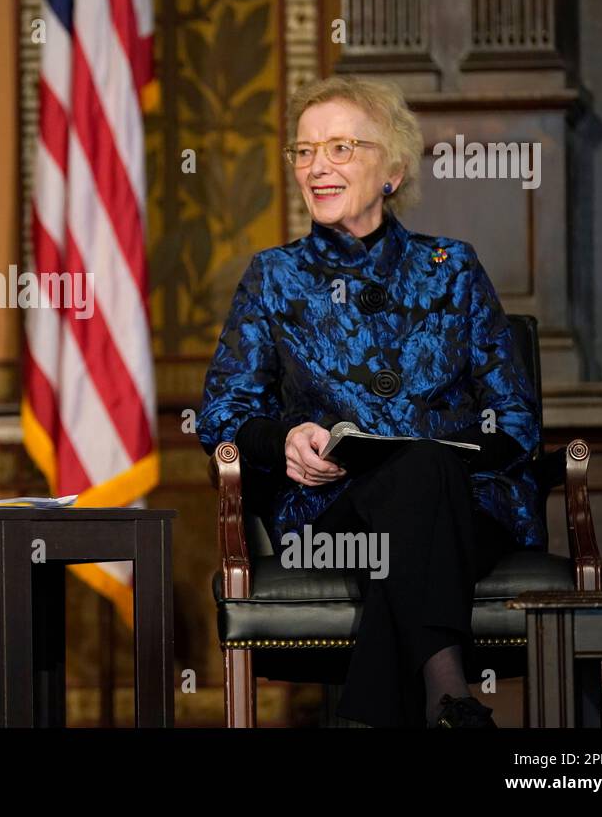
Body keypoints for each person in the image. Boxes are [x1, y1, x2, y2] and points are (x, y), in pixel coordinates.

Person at [198, 75, 546, 728]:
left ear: (390, 169)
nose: (316, 167)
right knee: (416, 482)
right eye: (303, 151)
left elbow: (518, 421)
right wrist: (287, 441)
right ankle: (451, 697)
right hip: (335, 515)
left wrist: (446, 460)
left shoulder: (453, 268)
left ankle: (370, 717)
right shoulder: (274, 279)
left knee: (424, 472)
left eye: (339, 148)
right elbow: (221, 414)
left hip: (470, 504)